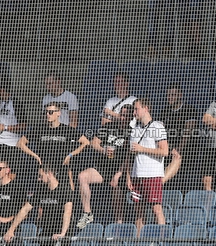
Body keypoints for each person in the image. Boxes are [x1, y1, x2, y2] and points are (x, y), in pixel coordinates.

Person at [5, 165, 73, 246]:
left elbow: (67, 212)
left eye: (41, 175)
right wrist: (11, 229)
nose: (39, 178)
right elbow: (25, 209)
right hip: (46, 235)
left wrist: (63, 233)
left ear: (49, 173)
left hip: (61, 237)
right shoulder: (41, 190)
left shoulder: (64, 189)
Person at [76, 103, 134, 228]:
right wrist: (103, 149)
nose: (123, 118)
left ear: (130, 118)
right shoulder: (108, 126)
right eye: (122, 115)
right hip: (102, 168)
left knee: (117, 187)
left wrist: (118, 174)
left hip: (119, 169)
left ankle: (119, 222)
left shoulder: (132, 133)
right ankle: (87, 213)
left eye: (126, 116)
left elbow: (129, 157)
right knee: (82, 176)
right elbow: (93, 142)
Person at [16, 101, 89, 189]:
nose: (48, 114)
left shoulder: (67, 130)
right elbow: (20, 143)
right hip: (45, 171)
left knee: (67, 197)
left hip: (62, 168)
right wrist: (35, 156)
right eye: (46, 112)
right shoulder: (39, 129)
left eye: (50, 112)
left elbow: (86, 142)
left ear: (58, 113)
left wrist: (70, 155)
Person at [127, 97, 168, 235]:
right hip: (137, 175)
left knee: (156, 209)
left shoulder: (157, 126)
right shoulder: (135, 130)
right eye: (133, 109)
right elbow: (130, 155)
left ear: (146, 109)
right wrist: (128, 177)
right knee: (138, 213)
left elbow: (164, 151)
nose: (134, 112)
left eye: (136, 109)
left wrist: (142, 148)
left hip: (152, 175)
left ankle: (162, 241)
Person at [160, 83, 199, 189]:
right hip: (168, 150)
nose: (170, 98)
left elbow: (187, 133)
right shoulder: (164, 111)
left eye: (173, 95)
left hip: (186, 152)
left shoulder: (189, 111)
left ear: (180, 95)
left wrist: (178, 150)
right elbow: (161, 131)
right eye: (168, 95)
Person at [0, 76, 26, 165]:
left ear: (2, 89)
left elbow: (24, 125)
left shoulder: (15, 103)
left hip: (12, 144)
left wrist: (5, 127)